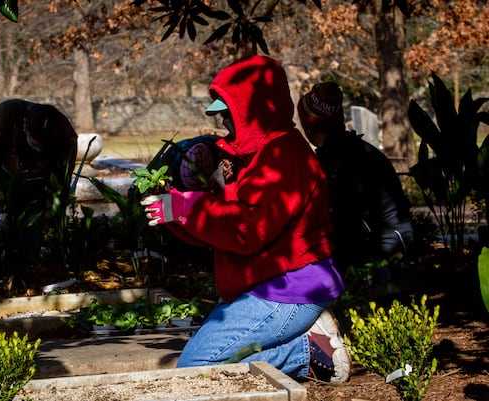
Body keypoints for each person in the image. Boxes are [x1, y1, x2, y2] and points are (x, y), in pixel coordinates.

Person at [140, 55, 351, 382]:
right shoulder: (249, 154)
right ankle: (300, 347)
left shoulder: (285, 154)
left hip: (292, 288)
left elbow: (248, 229)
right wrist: (175, 210)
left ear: (254, 109)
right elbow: (222, 228)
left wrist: (188, 209)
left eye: (228, 112)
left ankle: (306, 351)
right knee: (209, 362)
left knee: (197, 367)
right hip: (265, 287)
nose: (222, 119)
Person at [297, 82, 414, 274]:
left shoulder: (342, 160)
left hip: (383, 253)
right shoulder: (347, 150)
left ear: (309, 127)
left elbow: (341, 221)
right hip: (384, 242)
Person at [0, 99, 78, 232]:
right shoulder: (6, 113)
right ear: (24, 126)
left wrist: (54, 212)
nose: (39, 148)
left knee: (36, 227)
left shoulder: (66, 136)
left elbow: (63, 178)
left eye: (44, 146)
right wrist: (1, 213)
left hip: (36, 175)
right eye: (36, 144)